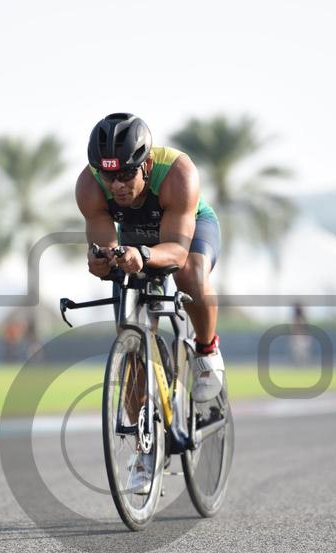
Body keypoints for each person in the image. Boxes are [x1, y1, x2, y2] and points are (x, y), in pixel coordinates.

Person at [76, 112, 224, 491]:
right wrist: (102, 260)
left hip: (187, 232)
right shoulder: (90, 186)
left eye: (127, 175)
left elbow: (176, 252)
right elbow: (105, 246)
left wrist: (143, 254)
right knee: (130, 337)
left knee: (190, 273)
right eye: (109, 176)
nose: (117, 186)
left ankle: (207, 349)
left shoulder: (178, 174)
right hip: (134, 238)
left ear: (147, 164)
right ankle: (146, 451)